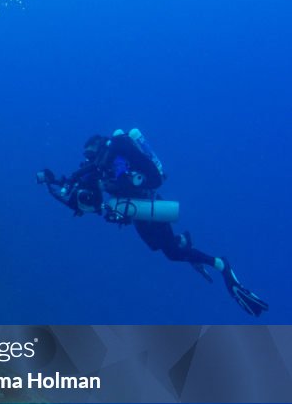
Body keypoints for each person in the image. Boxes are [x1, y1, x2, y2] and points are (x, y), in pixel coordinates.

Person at [37, 128, 268, 317]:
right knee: (159, 248)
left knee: (172, 253)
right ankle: (183, 242)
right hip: (138, 212)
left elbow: (122, 180)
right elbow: (86, 184)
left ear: (98, 148)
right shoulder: (100, 165)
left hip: (149, 207)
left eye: (90, 155)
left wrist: (108, 189)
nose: (89, 160)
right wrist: (56, 182)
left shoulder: (116, 160)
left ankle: (221, 265)